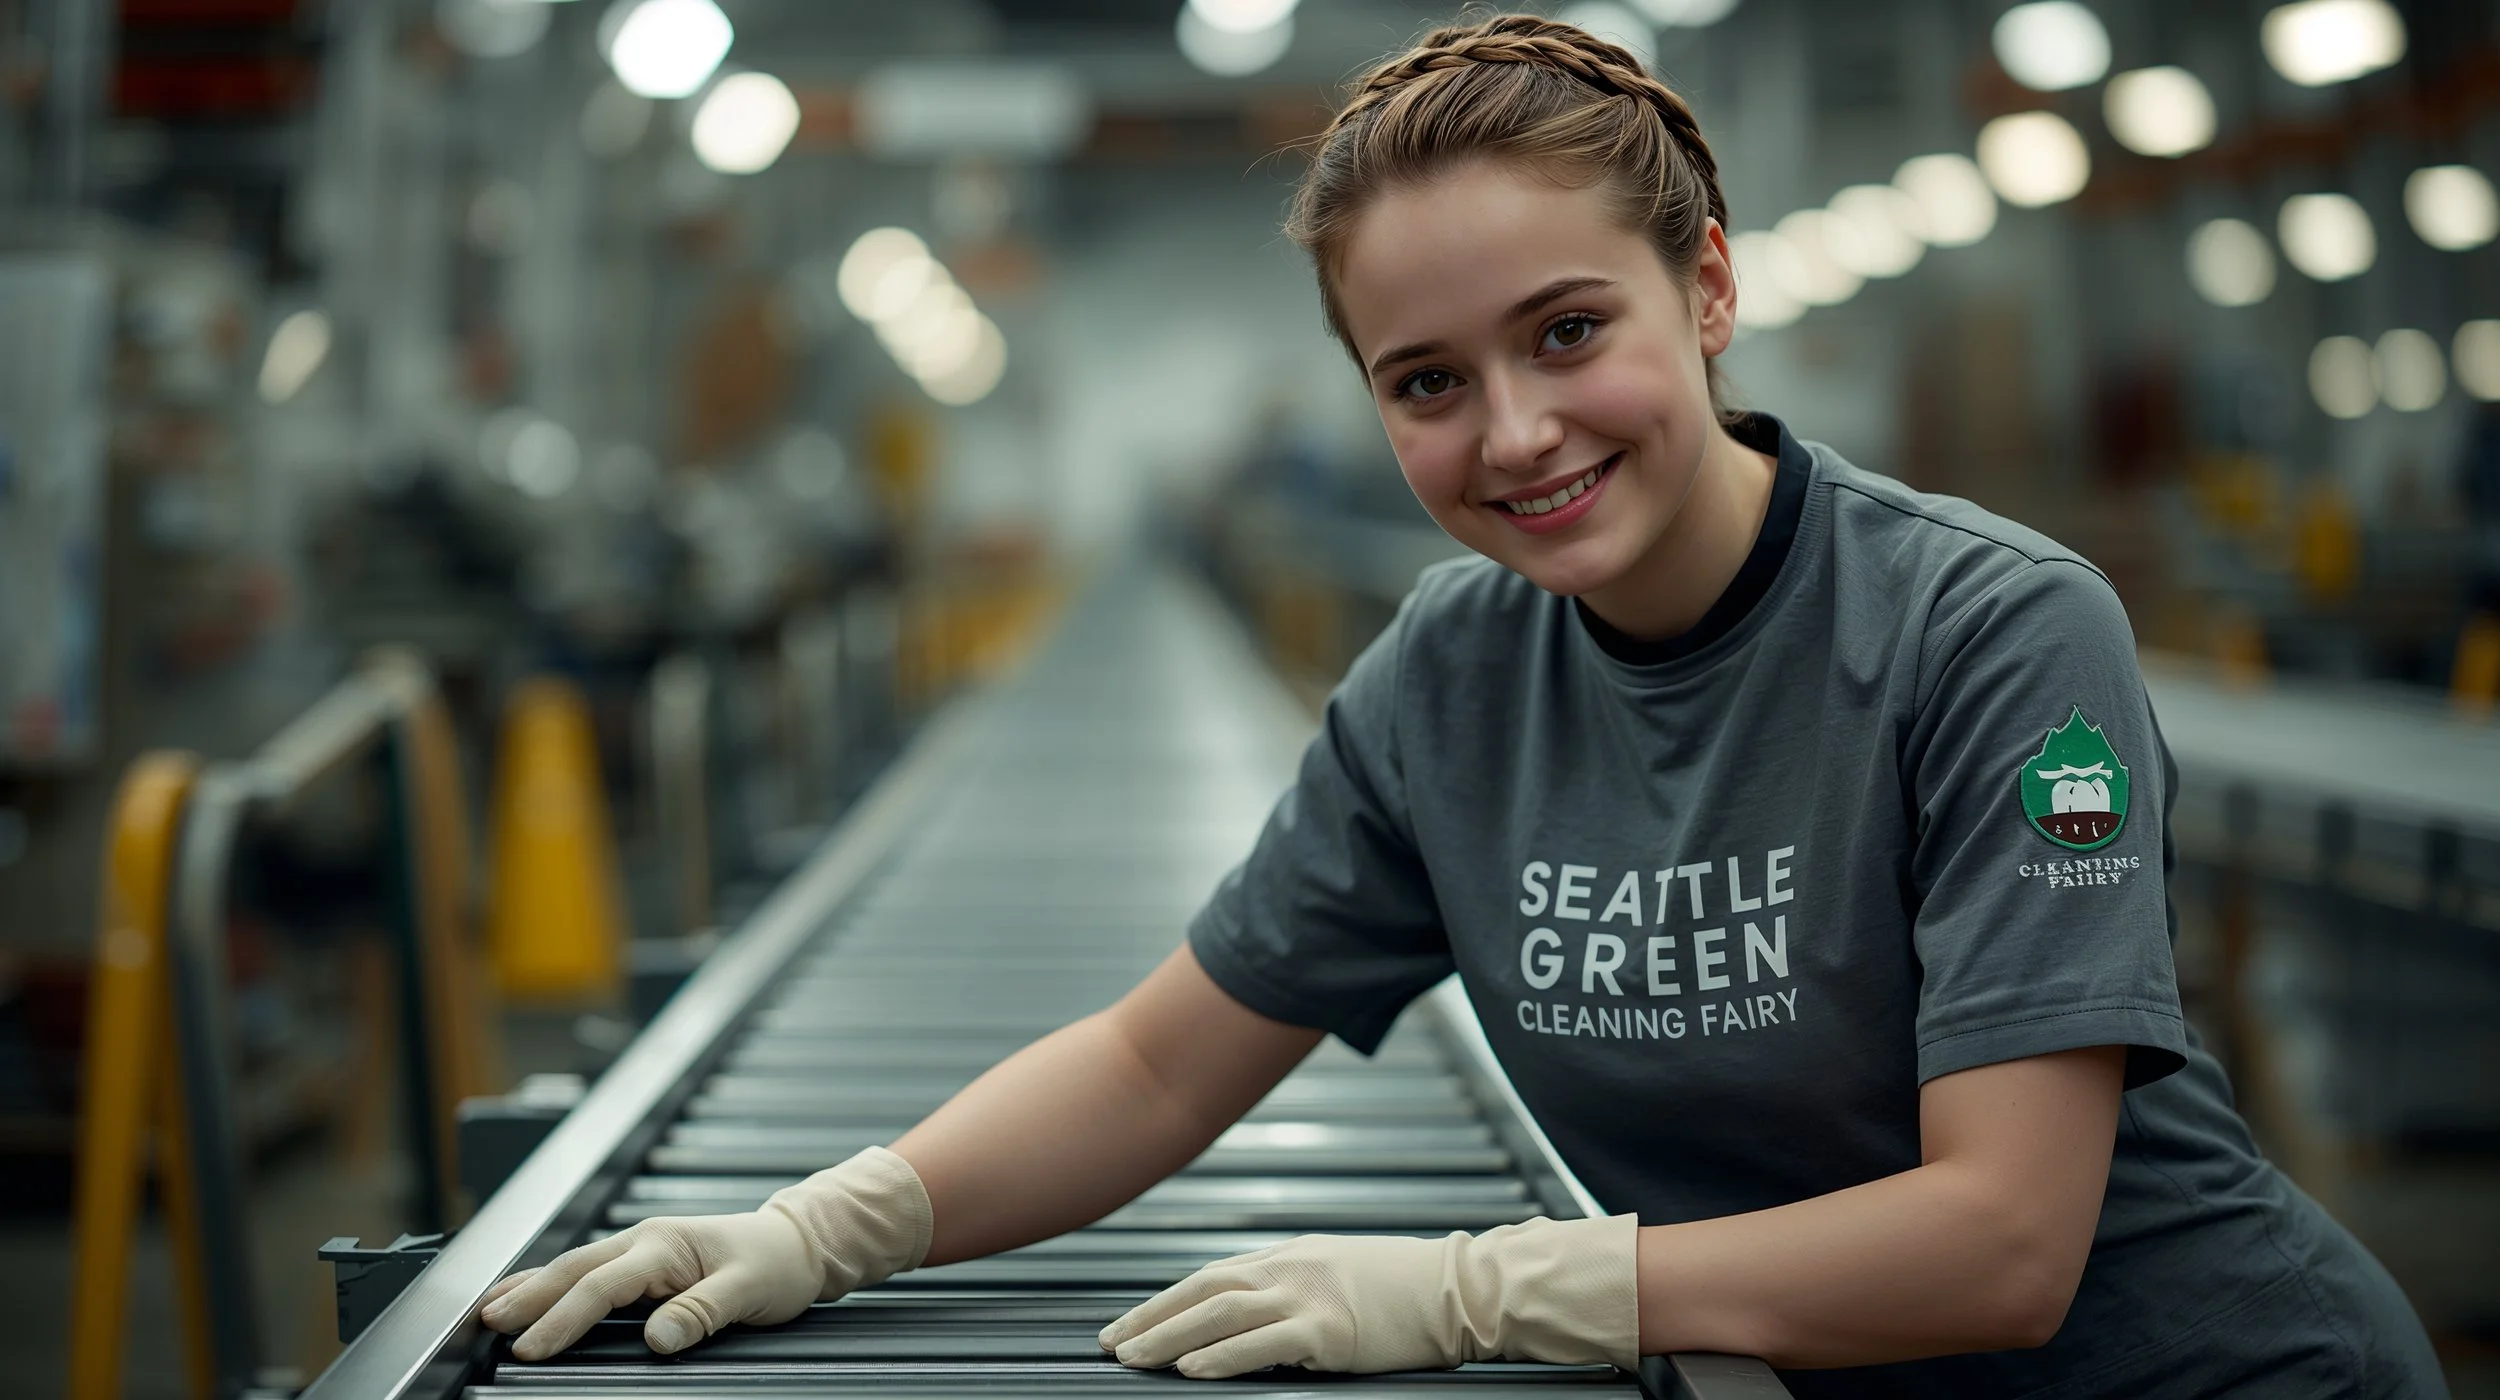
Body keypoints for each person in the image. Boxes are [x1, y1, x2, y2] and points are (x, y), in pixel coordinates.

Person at [479, 15, 2448, 1396]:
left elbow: (2002, 1247)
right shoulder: (1450, 679)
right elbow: (1164, 1065)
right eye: (1424, 382)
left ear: (1703, 289)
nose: (1512, 432)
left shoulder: (1987, 636)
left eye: (1564, 332)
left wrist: (1489, 1288)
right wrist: (834, 1224)